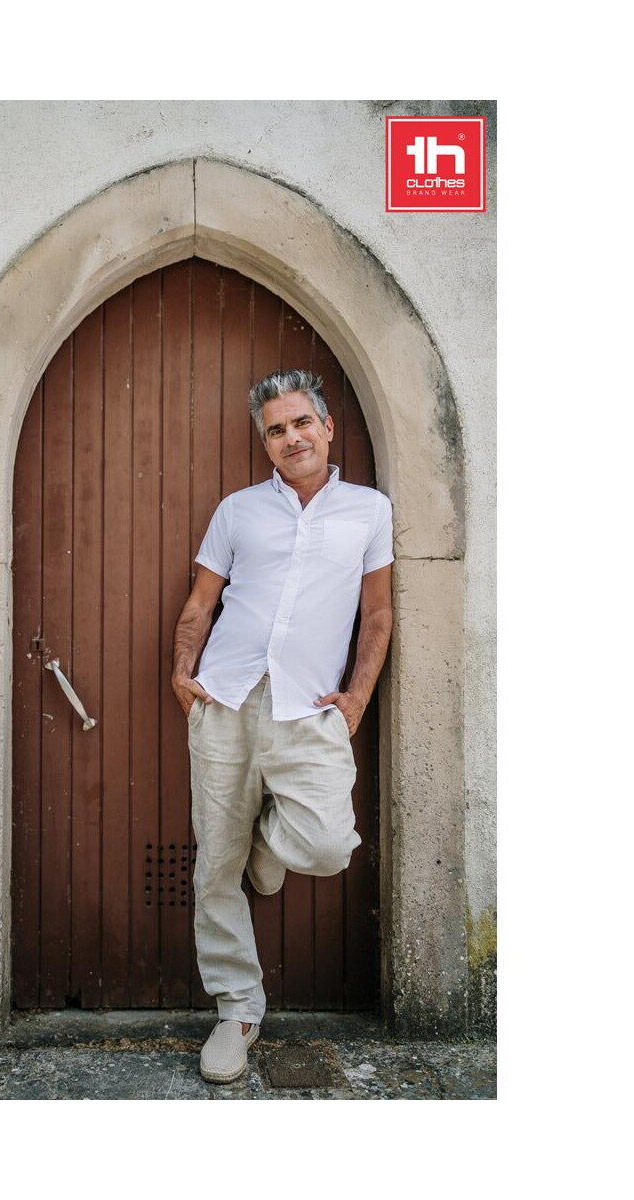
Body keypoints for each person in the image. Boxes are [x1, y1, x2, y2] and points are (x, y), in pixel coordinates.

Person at [171, 369, 394, 1084]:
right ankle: (237, 1010)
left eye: (301, 423)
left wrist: (357, 698)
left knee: (327, 845)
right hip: (226, 699)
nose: (291, 437)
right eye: (276, 429)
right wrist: (182, 672)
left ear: (327, 427)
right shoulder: (237, 511)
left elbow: (378, 613)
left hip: (311, 707)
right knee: (216, 865)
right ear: (264, 442)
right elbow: (201, 603)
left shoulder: (369, 511)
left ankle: (268, 844)